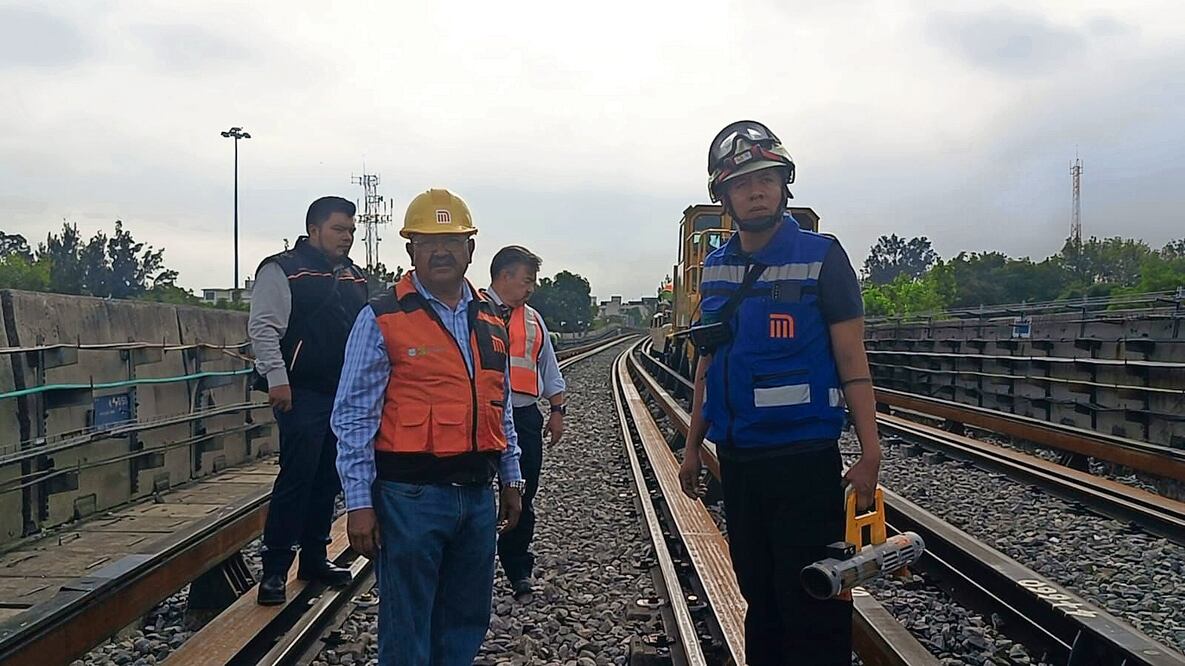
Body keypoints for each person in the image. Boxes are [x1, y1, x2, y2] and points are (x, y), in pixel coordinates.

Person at [677, 120, 882, 665]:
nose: (756, 189)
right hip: (740, 462)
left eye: (766, 176)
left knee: (813, 597)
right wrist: (693, 446)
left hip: (805, 463)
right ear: (723, 195)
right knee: (759, 596)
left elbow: (851, 360)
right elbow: (708, 361)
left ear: (785, 183)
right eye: (742, 181)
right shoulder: (717, 269)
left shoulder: (822, 257)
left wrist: (870, 452)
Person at [331, 189, 524, 665]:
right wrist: (359, 503)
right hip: (410, 498)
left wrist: (511, 475)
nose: (441, 251)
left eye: (452, 241)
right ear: (411, 250)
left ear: (470, 250)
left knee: (465, 619)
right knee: (408, 624)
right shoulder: (381, 318)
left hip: (477, 497)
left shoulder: (489, 318)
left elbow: (500, 406)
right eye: (428, 241)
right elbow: (353, 416)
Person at [247, 196, 369, 605]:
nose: (347, 237)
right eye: (339, 229)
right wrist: (277, 380)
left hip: (343, 394)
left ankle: (315, 557)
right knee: (297, 476)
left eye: (351, 230)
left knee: (328, 478)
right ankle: (275, 569)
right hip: (300, 392)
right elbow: (263, 329)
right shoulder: (282, 269)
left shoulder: (354, 277)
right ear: (314, 229)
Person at [483, 246, 566, 600]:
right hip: (482, 415)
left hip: (523, 414)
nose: (530, 288)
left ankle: (518, 568)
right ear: (504, 276)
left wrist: (558, 409)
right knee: (472, 493)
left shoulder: (532, 319)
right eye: (526, 280)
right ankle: (474, 568)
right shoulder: (470, 309)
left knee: (523, 491)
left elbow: (548, 365)